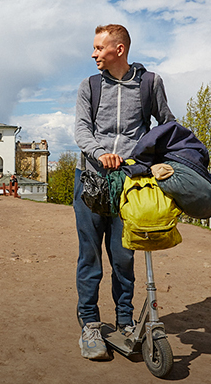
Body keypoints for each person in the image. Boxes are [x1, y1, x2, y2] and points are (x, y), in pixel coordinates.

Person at [73, 24, 176, 360]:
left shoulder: (149, 84)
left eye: (99, 48)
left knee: (124, 256)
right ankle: (89, 324)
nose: (93, 54)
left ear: (119, 49)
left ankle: (125, 322)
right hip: (91, 181)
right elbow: (81, 129)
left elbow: (166, 125)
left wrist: (159, 161)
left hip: (129, 185)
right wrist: (99, 153)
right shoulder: (89, 85)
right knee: (90, 256)